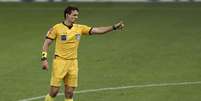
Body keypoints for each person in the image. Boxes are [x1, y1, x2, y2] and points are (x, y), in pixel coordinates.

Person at [41, 6, 124, 101]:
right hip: (60, 62)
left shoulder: (80, 28)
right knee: (54, 92)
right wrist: (44, 59)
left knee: (69, 93)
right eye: (74, 15)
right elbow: (46, 43)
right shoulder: (57, 28)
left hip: (73, 63)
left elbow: (97, 30)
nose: (76, 17)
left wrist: (113, 27)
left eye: (77, 15)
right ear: (67, 15)